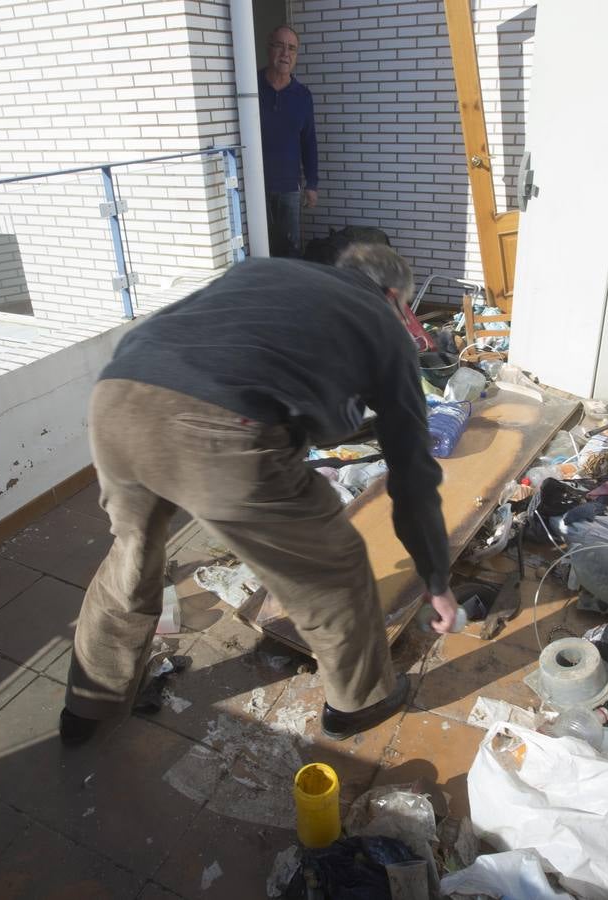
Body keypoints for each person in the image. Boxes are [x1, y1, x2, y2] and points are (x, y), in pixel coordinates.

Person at [60, 244, 459, 746]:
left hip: (118, 398)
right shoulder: (383, 325)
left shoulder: (266, 271)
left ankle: (89, 706)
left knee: (132, 552)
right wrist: (435, 577)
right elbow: (412, 473)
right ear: (395, 297)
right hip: (221, 426)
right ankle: (360, 702)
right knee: (333, 563)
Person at [258, 24, 318, 256]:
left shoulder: (302, 96)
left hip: (288, 189)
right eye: (280, 46)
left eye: (292, 48)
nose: (286, 53)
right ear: (269, 48)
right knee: (261, 251)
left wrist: (312, 184)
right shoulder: (251, 88)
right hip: (256, 188)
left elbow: (309, 141)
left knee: (290, 251)